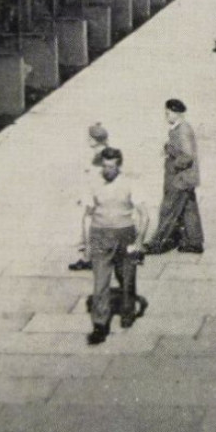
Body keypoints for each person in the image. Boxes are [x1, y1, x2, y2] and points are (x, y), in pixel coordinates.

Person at [82, 147, 150, 345]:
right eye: (104, 166)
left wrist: (139, 242)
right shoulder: (92, 184)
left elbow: (145, 215)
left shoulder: (130, 183)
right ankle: (100, 325)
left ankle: (127, 311)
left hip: (125, 234)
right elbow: (86, 215)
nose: (107, 171)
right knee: (100, 282)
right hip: (100, 234)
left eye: (111, 167)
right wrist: (85, 243)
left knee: (126, 277)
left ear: (119, 166)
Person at [144, 99, 204, 254]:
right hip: (187, 178)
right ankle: (194, 242)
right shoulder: (179, 128)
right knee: (189, 209)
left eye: (168, 113)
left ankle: (157, 244)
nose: (166, 116)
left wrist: (174, 165)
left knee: (168, 209)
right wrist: (168, 147)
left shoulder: (182, 130)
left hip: (180, 178)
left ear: (176, 113)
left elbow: (187, 155)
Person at [69, 122, 112, 272]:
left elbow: (97, 180)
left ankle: (88, 258)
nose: (87, 140)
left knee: (88, 223)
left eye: (89, 138)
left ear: (95, 140)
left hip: (96, 198)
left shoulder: (100, 158)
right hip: (99, 197)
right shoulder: (105, 153)